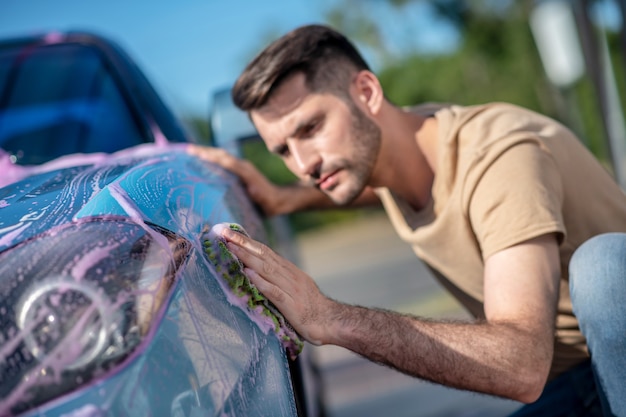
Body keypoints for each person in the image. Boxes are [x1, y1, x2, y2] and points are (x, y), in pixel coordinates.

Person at [188, 24, 626, 416]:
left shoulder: (499, 159)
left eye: (310, 128)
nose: (304, 164)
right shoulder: (401, 149)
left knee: (602, 263)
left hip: (601, 367)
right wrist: (284, 200)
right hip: (574, 381)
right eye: (282, 150)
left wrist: (329, 317)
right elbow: (369, 187)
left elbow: (520, 365)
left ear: (367, 92)